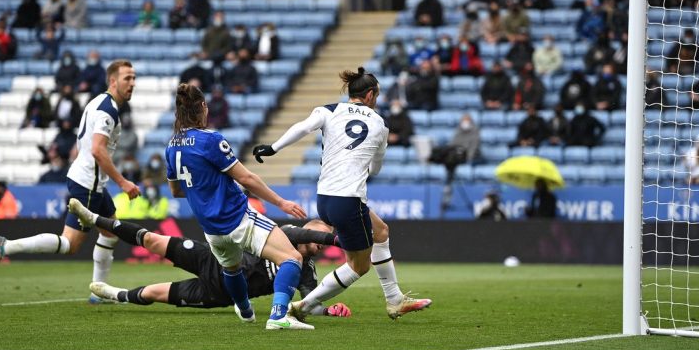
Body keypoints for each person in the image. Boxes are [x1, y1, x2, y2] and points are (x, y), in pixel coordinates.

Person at [252, 68, 432, 321]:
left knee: (381, 231)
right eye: (377, 95)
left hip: (325, 198)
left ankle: (394, 299)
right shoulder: (379, 123)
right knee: (359, 265)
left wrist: (273, 147)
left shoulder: (329, 110)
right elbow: (376, 168)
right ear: (370, 95)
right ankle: (301, 306)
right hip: (349, 200)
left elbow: (303, 128)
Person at [0, 60, 141, 308]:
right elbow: (99, 150)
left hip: (91, 181)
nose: (132, 83)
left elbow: (87, 145)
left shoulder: (98, 102)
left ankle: (98, 292)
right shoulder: (107, 110)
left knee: (110, 232)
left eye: (134, 78)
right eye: (127, 78)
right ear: (113, 81)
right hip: (88, 183)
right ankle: (6, 246)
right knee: (70, 244)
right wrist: (123, 182)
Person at [160, 83, 311, 330]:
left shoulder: (171, 145)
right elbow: (247, 178)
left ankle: (245, 309)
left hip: (212, 230)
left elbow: (176, 191)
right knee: (292, 259)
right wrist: (281, 202)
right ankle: (278, 316)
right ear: (203, 107)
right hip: (238, 218)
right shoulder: (211, 139)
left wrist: (204, 188)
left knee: (232, 269)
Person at [72, 205, 350, 316]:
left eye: (323, 241)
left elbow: (309, 303)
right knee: (152, 240)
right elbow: (303, 232)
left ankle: (115, 295)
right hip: (214, 259)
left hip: (219, 293)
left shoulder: (307, 271)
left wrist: (327, 311)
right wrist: (335, 237)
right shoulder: (286, 235)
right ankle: (94, 218)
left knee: (154, 292)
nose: (320, 244)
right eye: (320, 237)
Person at [430, 113, 481, 184]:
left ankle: (449, 178)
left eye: (467, 121)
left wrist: (469, 158)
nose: (465, 123)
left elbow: (473, 148)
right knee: (447, 153)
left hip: (466, 155)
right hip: (456, 153)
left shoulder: (475, 132)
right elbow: (453, 144)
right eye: (463, 121)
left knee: (452, 158)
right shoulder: (458, 131)